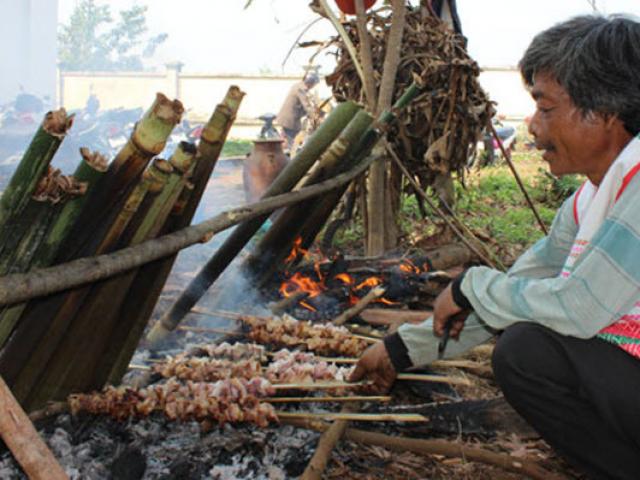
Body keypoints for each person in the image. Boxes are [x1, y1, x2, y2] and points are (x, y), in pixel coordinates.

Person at [350, 14, 640, 479]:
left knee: (528, 350)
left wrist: (470, 285)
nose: (532, 127)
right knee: (529, 345)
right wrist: (401, 350)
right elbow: (517, 289)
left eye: (545, 109)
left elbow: (580, 307)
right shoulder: (591, 200)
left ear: (604, 113)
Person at [276, 72, 320, 150]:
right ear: (311, 83)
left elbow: (306, 104)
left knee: (292, 139)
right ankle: (290, 157)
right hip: (290, 120)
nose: (313, 87)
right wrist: (316, 117)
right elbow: (306, 106)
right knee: (292, 142)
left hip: (290, 118)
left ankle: (288, 152)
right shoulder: (301, 89)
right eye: (314, 85)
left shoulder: (298, 85)